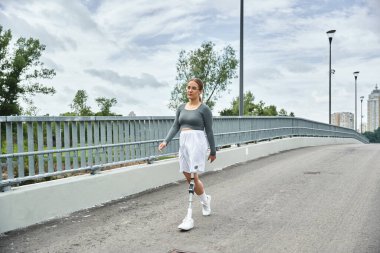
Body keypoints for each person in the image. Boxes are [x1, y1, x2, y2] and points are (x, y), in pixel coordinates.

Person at [158, 77, 216, 230]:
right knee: (188, 176)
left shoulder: (204, 109)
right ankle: (205, 200)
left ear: (200, 91)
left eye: (193, 88)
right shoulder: (181, 107)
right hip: (184, 142)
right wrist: (166, 141)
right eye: (188, 87)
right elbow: (175, 126)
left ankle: (189, 216)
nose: (190, 90)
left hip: (197, 142)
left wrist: (213, 150)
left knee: (192, 177)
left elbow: (209, 131)